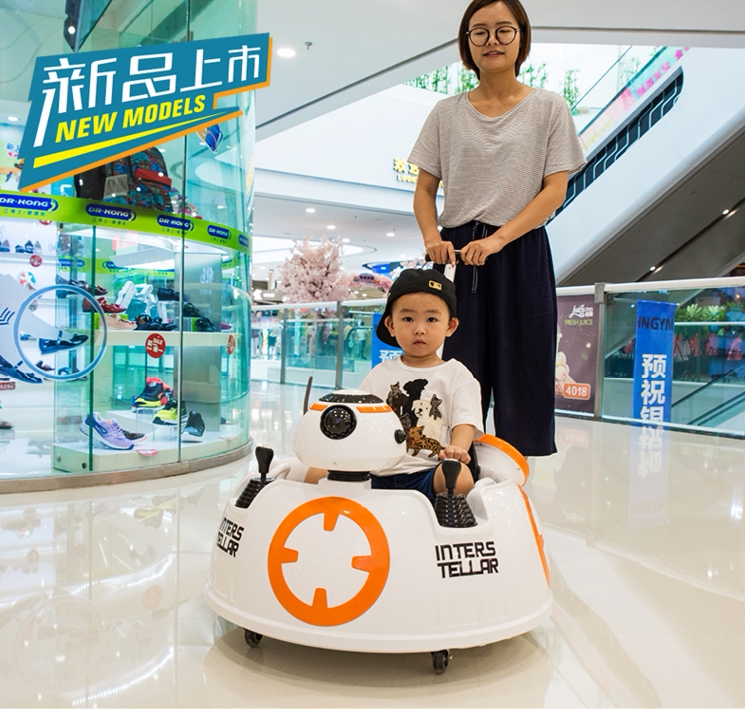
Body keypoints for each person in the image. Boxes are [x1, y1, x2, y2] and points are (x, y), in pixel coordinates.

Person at [409, 0, 586, 457]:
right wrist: (431, 237)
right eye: (480, 31)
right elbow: (424, 189)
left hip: (521, 249)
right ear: (466, 42)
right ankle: (450, 469)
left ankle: (511, 472)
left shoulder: (549, 107)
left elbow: (554, 190)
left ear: (521, 37)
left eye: (504, 30)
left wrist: (499, 239)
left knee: (525, 363)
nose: (492, 40)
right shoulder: (446, 113)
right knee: (454, 368)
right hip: (456, 255)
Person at [305, 269, 482, 500]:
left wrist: (456, 448)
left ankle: (445, 512)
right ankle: (314, 516)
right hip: (373, 471)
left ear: (450, 326)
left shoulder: (457, 375)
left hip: (428, 471)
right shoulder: (379, 374)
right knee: (316, 472)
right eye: (408, 319)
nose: (419, 329)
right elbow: (357, 417)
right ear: (390, 325)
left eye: (431, 319)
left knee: (459, 477)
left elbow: (465, 421)